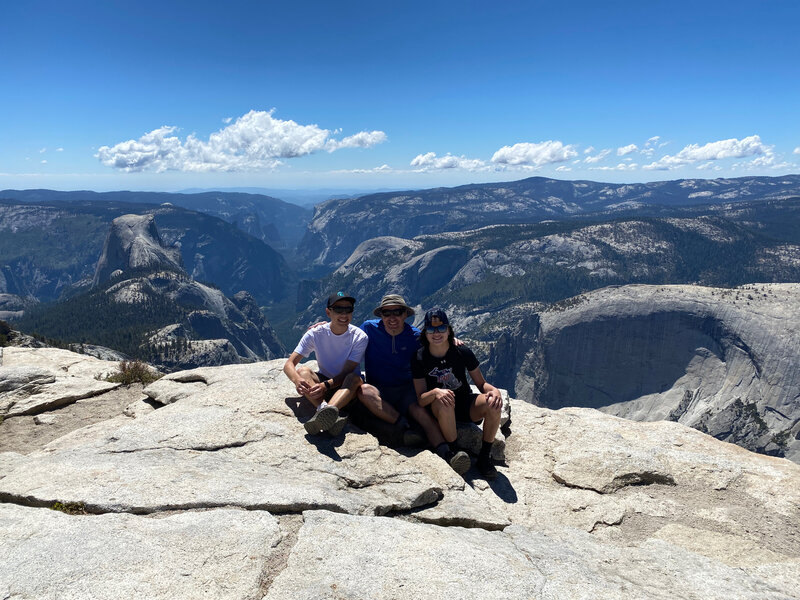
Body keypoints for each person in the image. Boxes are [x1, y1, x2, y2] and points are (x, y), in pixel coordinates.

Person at [358, 295, 458, 466]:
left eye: (397, 312)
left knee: (420, 412)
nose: (392, 318)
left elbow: (436, 344)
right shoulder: (368, 328)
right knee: (364, 391)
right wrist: (325, 326)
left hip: (406, 390)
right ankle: (405, 426)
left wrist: (450, 341)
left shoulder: (416, 336)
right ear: (381, 315)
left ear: (405, 314)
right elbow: (346, 337)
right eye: (386, 313)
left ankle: (448, 454)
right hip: (379, 388)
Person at [412, 307, 503, 479]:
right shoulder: (419, 357)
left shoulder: (462, 352)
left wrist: (494, 391)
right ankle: (454, 453)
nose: (436, 333)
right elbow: (421, 400)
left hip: (465, 403)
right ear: (425, 332)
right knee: (444, 400)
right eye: (431, 329)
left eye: (441, 328)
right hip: (440, 409)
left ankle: (484, 457)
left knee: (493, 404)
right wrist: (436, 393)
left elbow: (481, 383)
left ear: (448, 330)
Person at [283, 292, 368, 436]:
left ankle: (326, 412)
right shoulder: (315, 333)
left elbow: (347, 372)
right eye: (338, 310)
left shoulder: (360, 337)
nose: (344, 314)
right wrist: (297, 381)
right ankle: (325, 412)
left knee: (354, 378)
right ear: (328, 312)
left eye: (348, 309)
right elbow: (289, 364)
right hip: (324, 383)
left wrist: (325, 386)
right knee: (303, 371)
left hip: (347, 389)